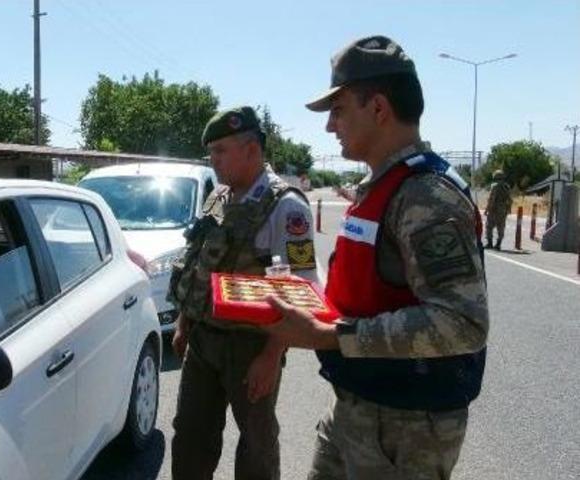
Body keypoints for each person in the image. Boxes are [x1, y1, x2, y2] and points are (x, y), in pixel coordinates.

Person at [261, 36, 489, 479]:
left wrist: (331, 335)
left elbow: (463, 323)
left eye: (339, 109)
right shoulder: (384, 186)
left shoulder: (425, 197)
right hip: (357, 404)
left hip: (406, 427)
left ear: (379, 108)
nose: (330, 126)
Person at [167, 106, 318, 480]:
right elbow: (200, 259)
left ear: (251, 150)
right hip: (204, 340)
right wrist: (185, 321)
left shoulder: (287, 206)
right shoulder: (219, 197)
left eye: (221, 151)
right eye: (211, 152)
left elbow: (300, 291)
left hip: (252, 347)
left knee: (256, 446)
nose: (213, 160)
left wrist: (271, 355)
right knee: (190, 437)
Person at [484, 169, 512, 250]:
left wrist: (487, 209)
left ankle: (489, 243)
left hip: (494, 209)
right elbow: (510, 199)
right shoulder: (506, 186)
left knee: (489, 226)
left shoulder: (494, 186)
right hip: (503, 210)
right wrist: (508, 209)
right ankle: (498, 244)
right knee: (501, 227)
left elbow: (491, 199)